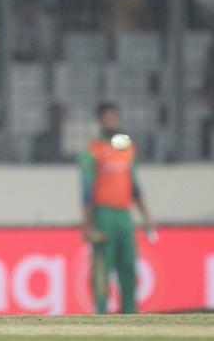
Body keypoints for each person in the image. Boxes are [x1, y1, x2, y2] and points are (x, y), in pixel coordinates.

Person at [78, 102, 155, 314]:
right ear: (100, 120)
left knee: (128, 266)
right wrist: (87, 223)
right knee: (102, 266)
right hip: (103, 215)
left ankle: (130, 313)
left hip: (124, 215)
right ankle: (101, 313)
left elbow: (135, 185)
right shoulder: (92, 150)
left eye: (114, 116)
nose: (111, 121)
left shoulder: (127, 147)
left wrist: (146, 215)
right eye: (107, 117)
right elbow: (86, 189)